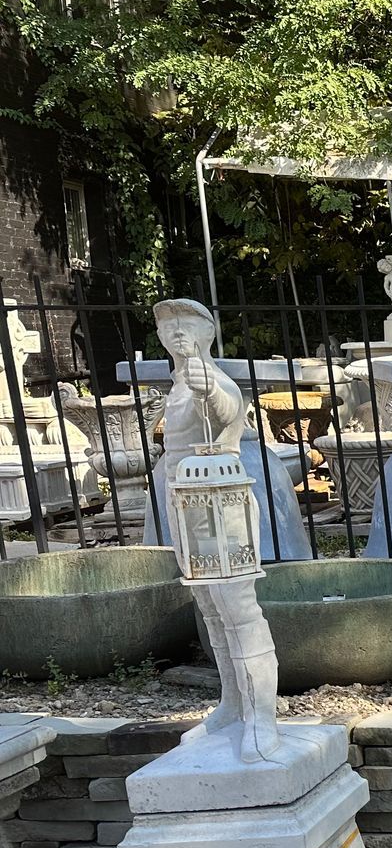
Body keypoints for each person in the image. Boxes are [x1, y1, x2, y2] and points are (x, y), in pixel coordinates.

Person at [154, 299, 281, 762]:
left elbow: (227, 408)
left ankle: (262, 718)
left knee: (238, 607)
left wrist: (206, 388)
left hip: (220, 504)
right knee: (209, 607)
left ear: (207, 332)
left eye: (186, 324)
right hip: (184, 504)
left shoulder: (208, 379)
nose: (176, 333)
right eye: (168, 326)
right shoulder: (176, 386)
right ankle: (232, 705)